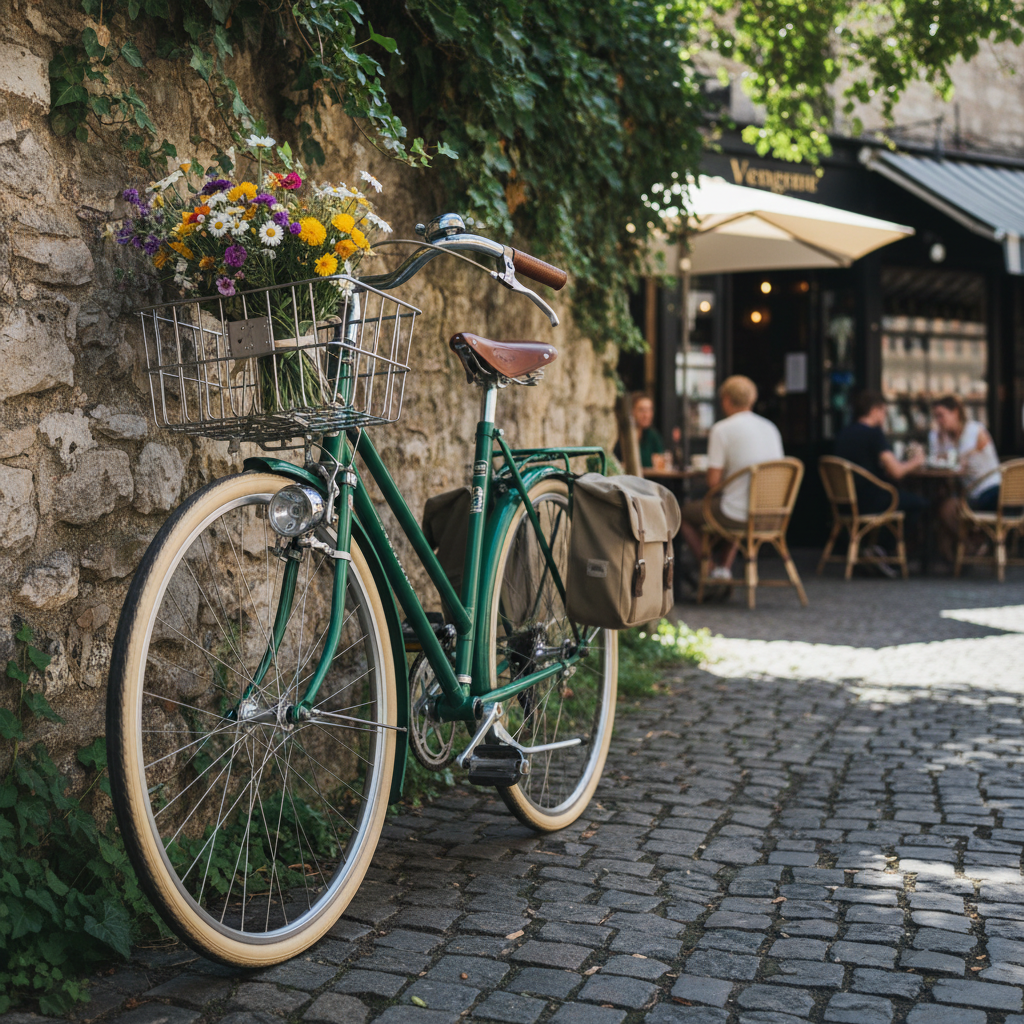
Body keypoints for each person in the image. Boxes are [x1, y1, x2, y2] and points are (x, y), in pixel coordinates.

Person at [679, 375, 783, 581]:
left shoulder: (722, 429)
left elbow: (713, 483)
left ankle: (710, 569)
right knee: (736, 499)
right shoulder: (771, 428)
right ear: (751, 399)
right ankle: (723, 570)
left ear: (726, 399)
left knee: (682, 514)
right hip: (772, 514)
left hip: (737, 513)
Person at [833, 391, 928, 574]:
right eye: (884, 412)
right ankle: (883, 549)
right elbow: (897, 471)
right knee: (920, 503)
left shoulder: (844, 433)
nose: (884, 417)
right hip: (870, 500)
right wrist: (917, 461)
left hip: (846, 501)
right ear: (875, 410)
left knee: (901, 498)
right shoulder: (873, 434)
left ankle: (873, 548)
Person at [930, 394, 1001, 552]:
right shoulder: (943, 436)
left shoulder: (975, 430)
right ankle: (971, 546)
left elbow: (957, 464)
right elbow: (940, 461)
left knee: (947, 508)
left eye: (941, 415)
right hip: (970, 492)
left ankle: (972, 547)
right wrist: (939, 439)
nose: (939, 421)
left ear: (955, 412)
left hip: (990, 491)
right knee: (943, 505)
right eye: (936, 417)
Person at [614, 393, 664, 469]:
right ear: (631, 411)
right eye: (641, 410)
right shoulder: (620, 436)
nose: (646, 415)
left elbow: (660, 464)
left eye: (649, 410)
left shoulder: (653, 436)